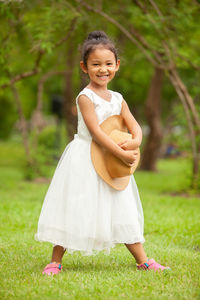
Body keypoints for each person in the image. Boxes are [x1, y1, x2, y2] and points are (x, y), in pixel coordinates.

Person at [35, 31, 170, 275]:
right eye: (95, 64)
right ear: (84, 67)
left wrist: (136, 141)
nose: (102, 69)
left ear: (117, 65)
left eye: (108, 64)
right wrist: (121, 154)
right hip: (86, 157)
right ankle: (56, 260)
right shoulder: (85, 97)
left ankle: (143, 260)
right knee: (76, 204)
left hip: (112, 159)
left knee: (121, 203)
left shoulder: (118, 98)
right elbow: (96, 133)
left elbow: (133, 124)